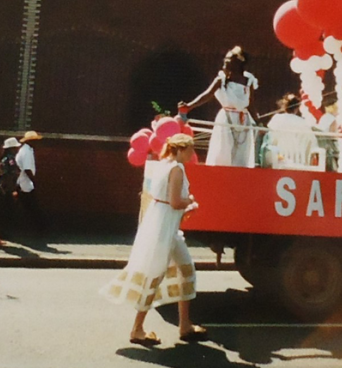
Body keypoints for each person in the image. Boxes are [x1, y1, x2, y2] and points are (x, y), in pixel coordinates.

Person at [100, 133, 208, 346]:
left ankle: (185, 325)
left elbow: (165, 200)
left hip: (165, 226)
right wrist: (191, 201)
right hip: (165, 230)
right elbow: (176, 202)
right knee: (154, 276)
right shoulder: (176, 168)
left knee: (186, 270)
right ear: (180, 149)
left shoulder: (163, 165)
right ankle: (137, 329)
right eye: (190, 149)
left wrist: (181, 207)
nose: (192, 154)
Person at [179, 46, 259, 168]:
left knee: (241, 152)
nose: (225, 62)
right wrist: (189, 106)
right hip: (226, 118)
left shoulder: (249, 81)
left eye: (229, 59)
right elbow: (206, 95)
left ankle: (238, 176)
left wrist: (257, 120)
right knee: (223, 150)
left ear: (238, 63)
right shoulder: (221, 80)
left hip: (243, 120)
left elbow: (250, 103)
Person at [16, 131, 47, 235]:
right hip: (25, 184)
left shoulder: (27, 150)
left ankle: (35, 229)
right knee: (32, 208)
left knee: (29, 207)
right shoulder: (26, 152)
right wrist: (34, 182)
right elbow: (27, 169)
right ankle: (38, 230)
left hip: (24, 183)